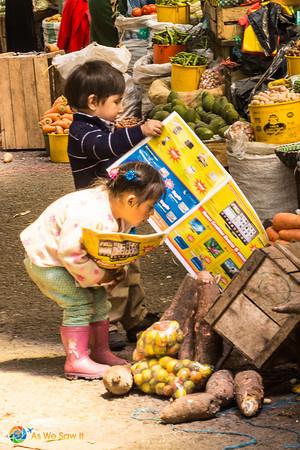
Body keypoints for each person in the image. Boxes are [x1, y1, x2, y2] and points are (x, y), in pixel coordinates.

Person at [20, 161, 166, 380]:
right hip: (47, 261)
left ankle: (100, 351)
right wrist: (102, 276)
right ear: (131, 200)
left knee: (99, 299)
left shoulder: (118, 209)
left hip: (70, 261)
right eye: (150, 207)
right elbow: (70, 252)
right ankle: (76, 360)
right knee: (79, 302)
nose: (151, 213)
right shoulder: (92, 215)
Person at [64, 60, 163, 350]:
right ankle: (106, 324)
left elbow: (117, 162)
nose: (120, 107)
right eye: (117, 101)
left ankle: (135, 317)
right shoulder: (82, 131)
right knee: (111, 271)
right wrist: (139, 131)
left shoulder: (102, 126)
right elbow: (104, 148)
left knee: (131, 266)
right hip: (99, 217)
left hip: (118, 210)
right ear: (93, 102)